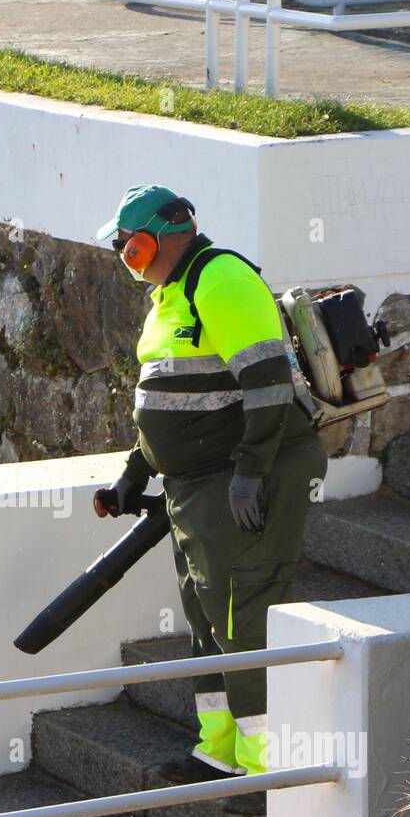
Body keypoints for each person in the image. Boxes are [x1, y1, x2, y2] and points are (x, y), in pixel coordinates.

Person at [93, 184, 327, 784]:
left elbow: (270, 384)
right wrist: (133, 474)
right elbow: (170, 398)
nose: (124, 255)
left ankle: (262, 770)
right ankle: (218, 751)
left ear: (161, 237)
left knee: (244, 616)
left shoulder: (221, 281)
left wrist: (250, 476)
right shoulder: (169, 294)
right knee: (206, 618)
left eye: (129, 244)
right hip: (194, 485)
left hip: (242, 477)